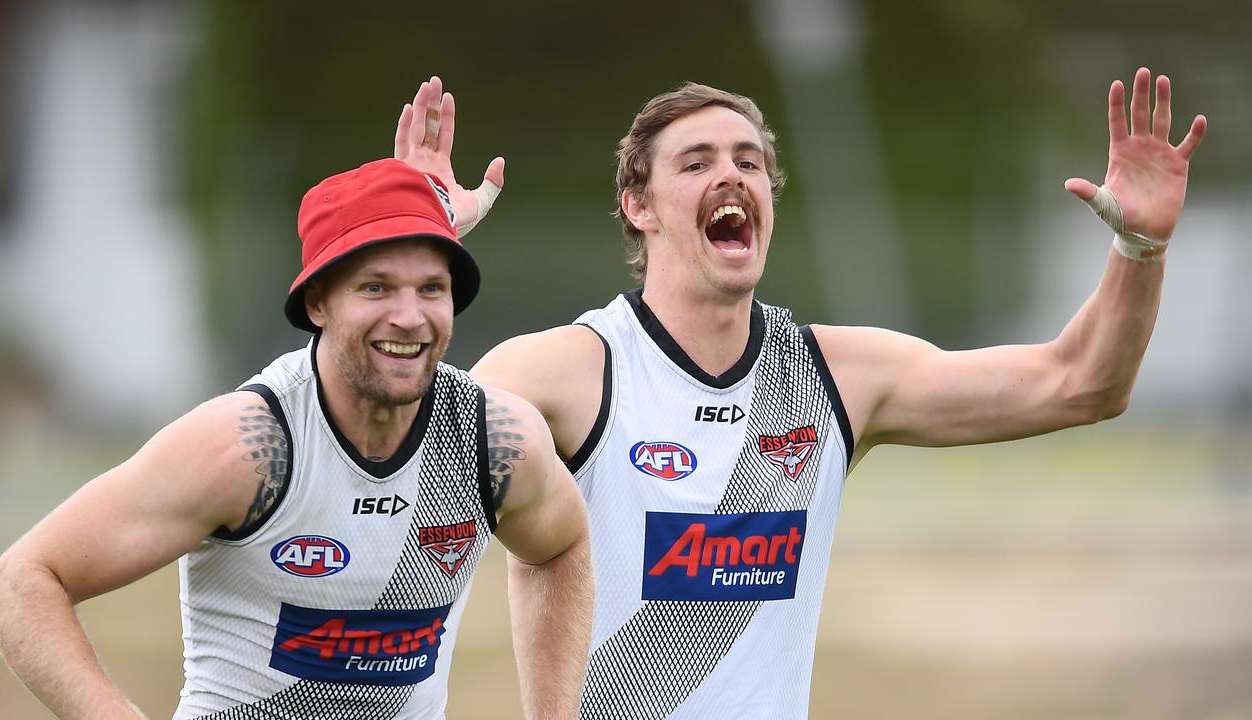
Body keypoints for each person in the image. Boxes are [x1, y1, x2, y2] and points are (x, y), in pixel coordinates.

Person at [398, 68, 1207, 718]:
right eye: (698, 162)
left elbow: (1081, 384)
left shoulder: (835, 376)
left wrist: (1140, 246)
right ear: (638, 207)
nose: (732, 174)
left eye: (749, 161)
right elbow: (390, 444)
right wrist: (411, 246)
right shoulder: (568, 370)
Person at [0, 154, 593, 719]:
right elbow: (22, 583)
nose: (409, 316)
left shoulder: (492, 439)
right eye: (375, 287)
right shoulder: (251, 446)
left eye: (431, 288)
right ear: (318, 303)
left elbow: (561, 548)